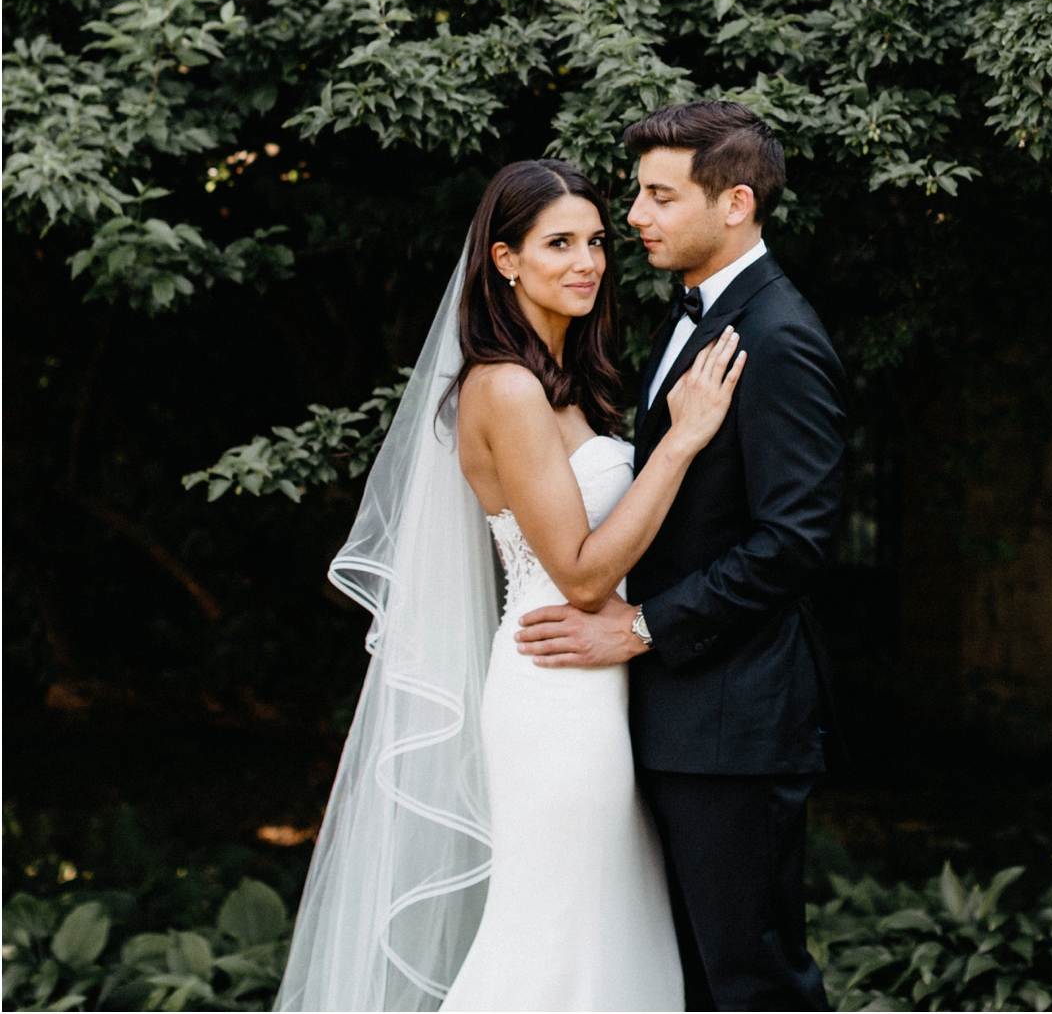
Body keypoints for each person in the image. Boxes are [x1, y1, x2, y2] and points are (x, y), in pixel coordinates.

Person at [276, 157, 744, 1014]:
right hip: (555, 692)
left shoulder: (574, 387)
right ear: (503, 260)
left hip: (602, 690)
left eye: (597, 241)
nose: (588, 262)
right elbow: (581, 568)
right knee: (557, 938)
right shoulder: (505, 386)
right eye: (558, 243)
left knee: (606, 933)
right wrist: (681, 441)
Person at [516, 104, 847, 1013]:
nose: (634, 215)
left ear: (735, 201)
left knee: (753, 984)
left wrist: (646, 625)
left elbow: (795, 540)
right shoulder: (695, 313)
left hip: (735, 724)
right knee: (695, 983)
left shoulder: (778, 336)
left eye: (659, 195)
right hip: (681, 718)